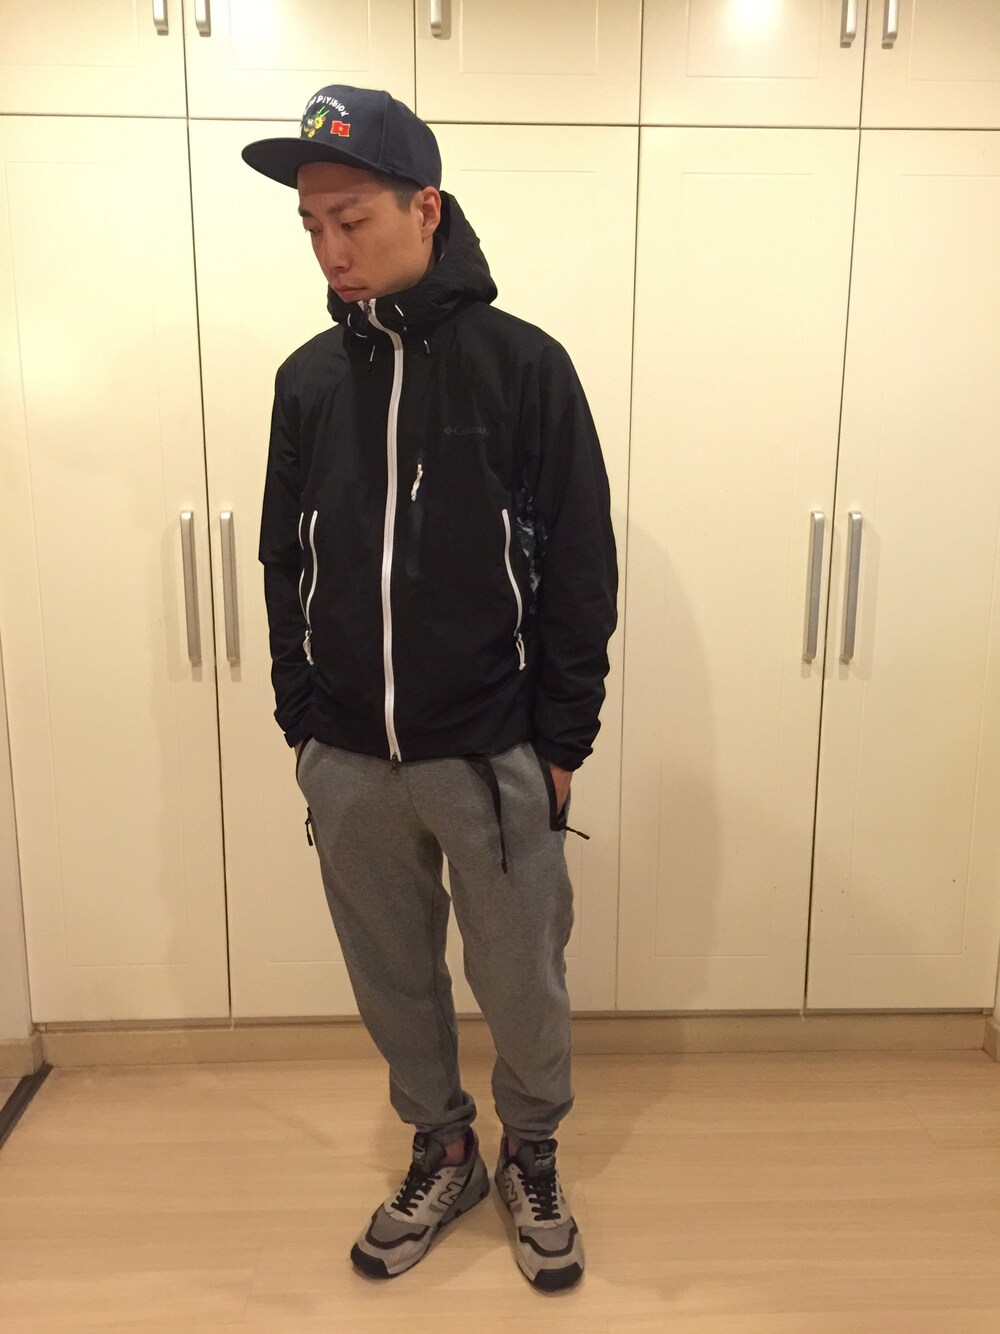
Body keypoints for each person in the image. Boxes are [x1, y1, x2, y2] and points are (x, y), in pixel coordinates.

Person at [242, 85, 617, 1291]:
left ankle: (531, 1149)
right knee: (392, 976)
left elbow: (579, 562)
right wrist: (303, 719)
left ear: (426, 209)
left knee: (521, 976)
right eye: (312, 226)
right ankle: (442, 1145)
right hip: (349, 757)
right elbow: (283, 555)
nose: (330, 248)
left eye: (350, 218)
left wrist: (559, 740)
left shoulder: (524, 367)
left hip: (490, 752)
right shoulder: (308, 380)